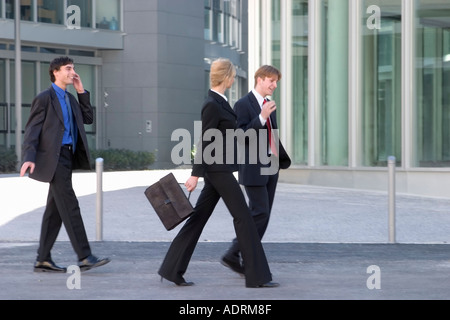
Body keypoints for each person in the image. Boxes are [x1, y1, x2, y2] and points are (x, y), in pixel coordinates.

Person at [158, 58, 278, 288]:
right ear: (227, 77)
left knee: (198, 219)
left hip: (218, 170)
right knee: (244, 218)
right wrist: (195, 174)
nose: (234, 79)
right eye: (233, 76)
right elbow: (205, 140)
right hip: (217, 169)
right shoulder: (212, 104)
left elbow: (239, 137)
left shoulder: (221, 102)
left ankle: (171, 269)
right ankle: (257, 277)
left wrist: (261, 117)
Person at [20, 56, 110, 273]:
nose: (72, 72)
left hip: (67, 157)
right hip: (54, 158)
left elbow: (87, 119)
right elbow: (32, 129)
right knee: (69, 205)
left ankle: (43, 259)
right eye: (68, 69)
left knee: (55, 210)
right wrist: (28, 157)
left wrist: (81, 91)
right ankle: (85, 256)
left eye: (73, 68)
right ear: (55, 72)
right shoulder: (44, 98)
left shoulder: (70, 99)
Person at [221, 65, 291, 275]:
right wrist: (260, 118)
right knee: (259, 212)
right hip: (253, 168)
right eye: (271, 80)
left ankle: (236, 254)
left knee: (263, 215)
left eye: (276, 81)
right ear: (259, 79)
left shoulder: (269, 104)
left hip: (271, 167)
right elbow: (241, 137)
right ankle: (237, 253)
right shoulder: (243, 104)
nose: (274, 85)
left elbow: (271, 135)